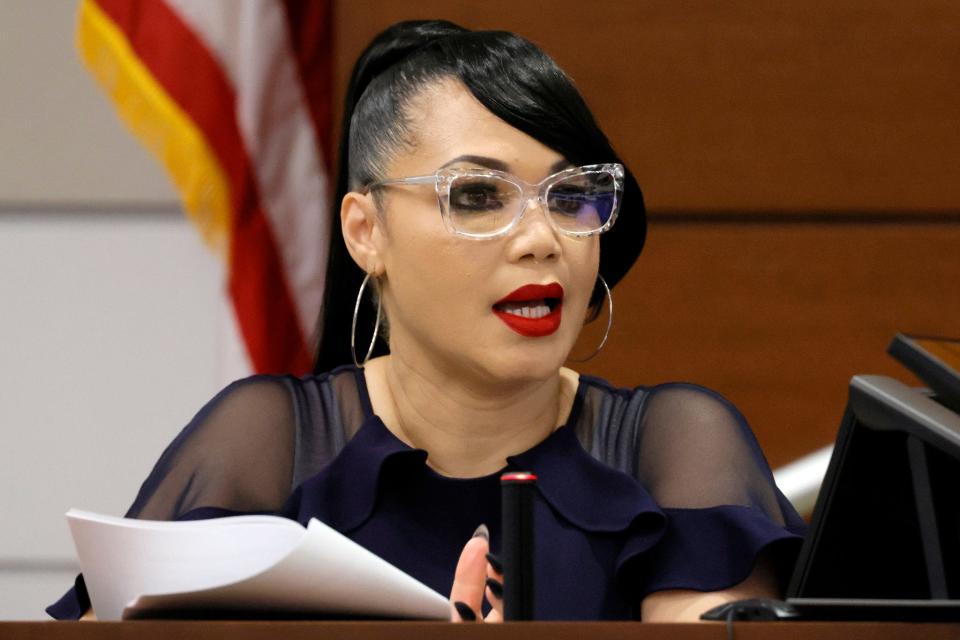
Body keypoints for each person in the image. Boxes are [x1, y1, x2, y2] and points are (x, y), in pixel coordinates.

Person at [48, 20, 806, 622]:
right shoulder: (269, 442)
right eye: (478, 196)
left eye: (572, 196)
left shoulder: (676, 444)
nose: (544, 238)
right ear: (364, 231)